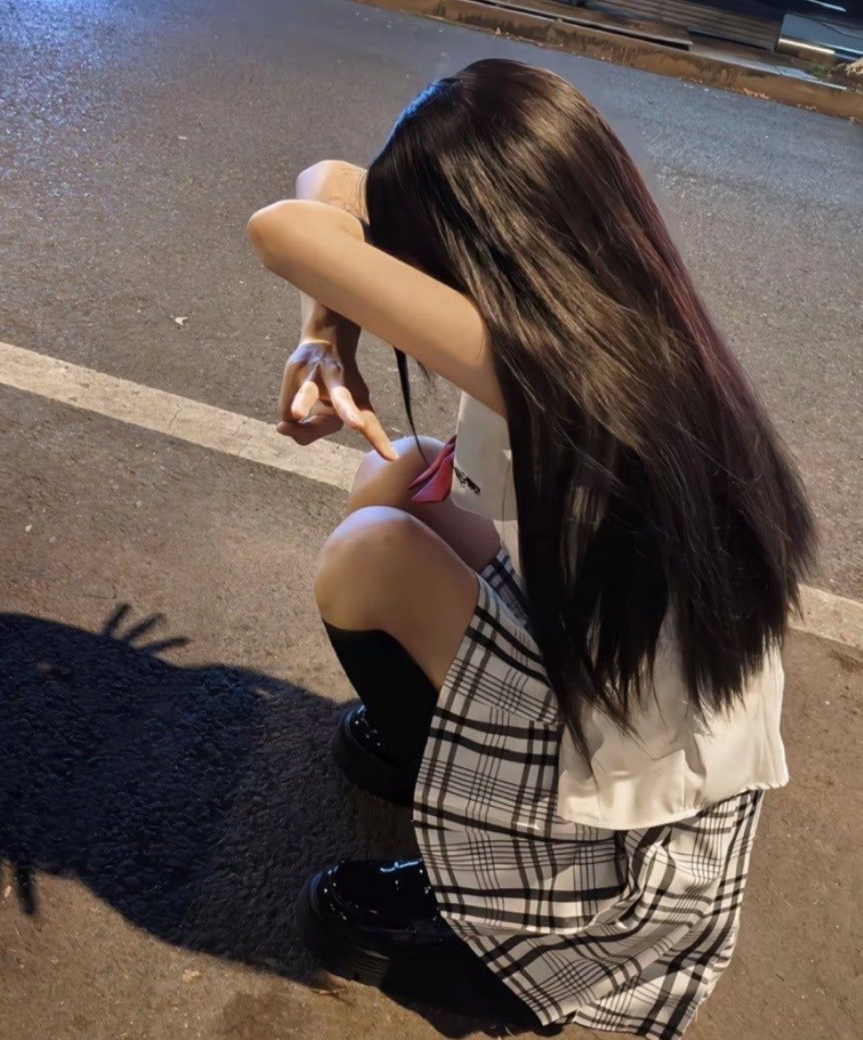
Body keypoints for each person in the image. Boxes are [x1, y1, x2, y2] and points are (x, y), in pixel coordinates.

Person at [246, 59, 815, 1039]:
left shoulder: (550, 364)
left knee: (370, 554)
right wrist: (325, 336)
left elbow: (286, 229)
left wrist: (333, 315)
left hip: (622, 811)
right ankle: (442, 758)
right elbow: (332, 181)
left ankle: (474, 896)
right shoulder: (608, 307)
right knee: (399, 472)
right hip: (615, 677)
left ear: (476, 247)